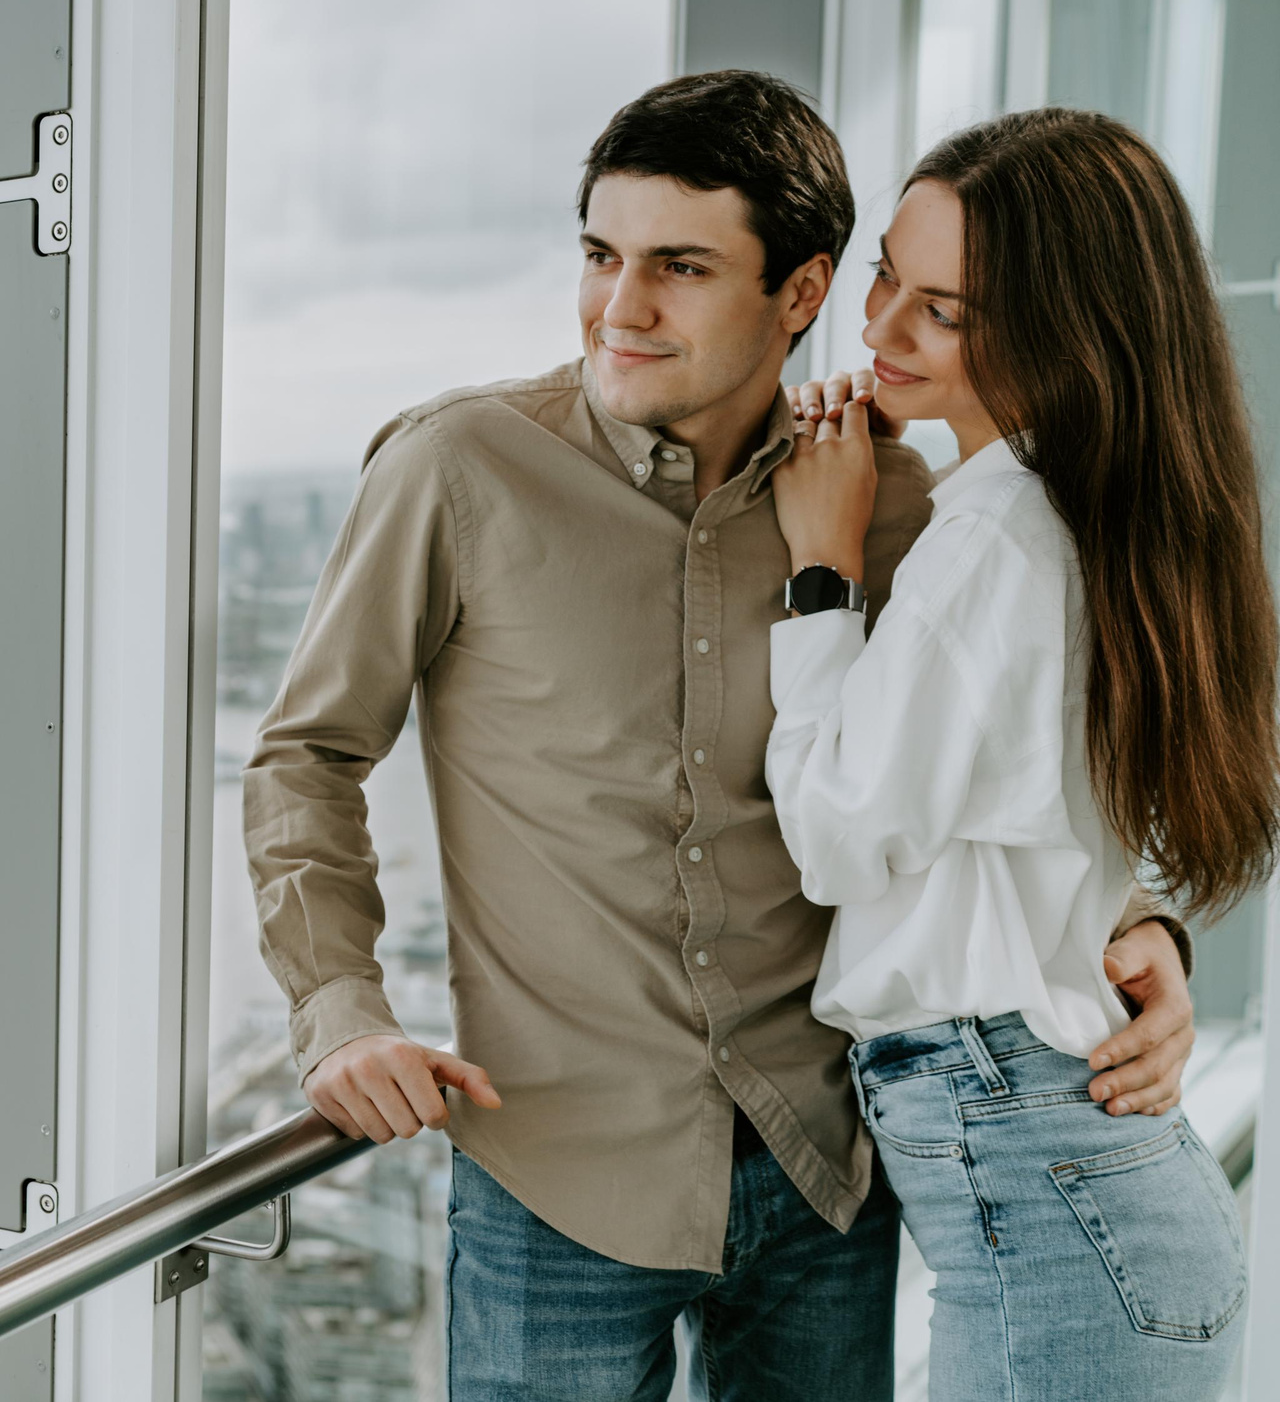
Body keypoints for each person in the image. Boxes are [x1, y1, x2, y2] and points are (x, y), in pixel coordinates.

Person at [242, 71, 1203, 1402]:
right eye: (599, 255)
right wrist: (340, 1016)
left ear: (801, 292)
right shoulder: (457, 470)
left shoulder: (901, 492)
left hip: (832, 1170)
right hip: (557, 1179)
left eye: (679, 267)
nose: (618, 309)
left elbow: (997, 745)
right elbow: (308, 754)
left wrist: (1137, 923)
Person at [764, 107, 1274, 1398]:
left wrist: (822, 571)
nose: (877, 329)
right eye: (888, 272)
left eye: (944, 311)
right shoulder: (1099, 506)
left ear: (1064, 328)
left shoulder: (993, 535)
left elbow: (836, 834)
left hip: (1062, 1216)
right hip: (1101, 1206)